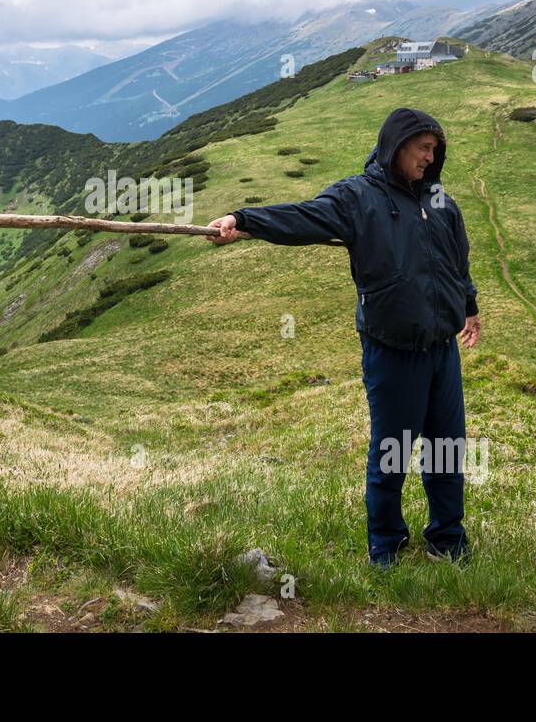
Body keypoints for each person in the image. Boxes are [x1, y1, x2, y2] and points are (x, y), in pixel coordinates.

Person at [206, 107, 481, 568]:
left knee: (446, 448)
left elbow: (458, 259)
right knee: (392, 453)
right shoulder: (358, 197)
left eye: (436, 151)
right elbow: (304, 218)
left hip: (441, 349)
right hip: (392, 349)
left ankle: (447, 542)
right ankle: (387, 549)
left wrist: (468, 307)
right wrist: (244, 219)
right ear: (397, 146)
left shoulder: (439, 201)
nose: (431, 159)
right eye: (423, 149)